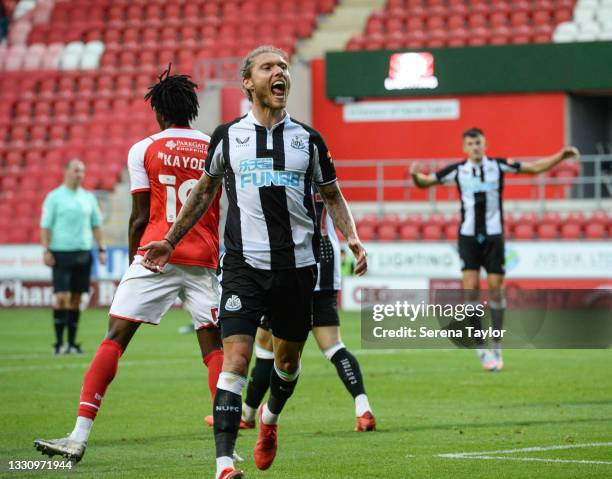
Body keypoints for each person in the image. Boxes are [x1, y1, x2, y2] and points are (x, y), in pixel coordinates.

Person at [140, 46, 367, 479]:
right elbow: (204, 192)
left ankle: (269, 420)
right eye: (269, 67)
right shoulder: (227, 136)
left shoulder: (308, 140)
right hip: (242, 267)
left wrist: (352, 238)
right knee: (237, 361)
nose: (280, 73)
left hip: (298, 269)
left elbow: (333, 195)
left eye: (283, 67)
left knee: (287, 362)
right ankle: (224, 464)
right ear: (248, 82)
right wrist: (170, 239)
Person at [34, 68, 226, 463]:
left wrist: (134, 261)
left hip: (156, 253)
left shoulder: (144, 148)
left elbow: (140, 216)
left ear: (158, 110)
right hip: (203, 257)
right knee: (213, 347)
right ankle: (227, 449)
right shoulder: (213, 146)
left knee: (115, 338)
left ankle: (78, 436)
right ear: (192, 108)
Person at [411, 127, 580, 371]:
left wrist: (560, 156)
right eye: (470, 144)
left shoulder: (498, 166)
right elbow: (425, 184)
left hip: (494, 236)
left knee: (495, 289)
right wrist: (415, 176)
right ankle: (481, 348)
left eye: (478, 143)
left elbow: (533, 168)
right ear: (464, 148)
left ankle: (497, 346)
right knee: (470, 290)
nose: (475, 147)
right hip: (468, 236)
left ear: (485, 144)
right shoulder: (458, 170)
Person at [238, 191, 376, 433]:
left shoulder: (283, 175)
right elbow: (335, 204)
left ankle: (248, 415)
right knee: (334, 346)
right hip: (324, 265)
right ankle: (363, 409)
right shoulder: (323, 177)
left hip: (288, 265)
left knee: (266, 346)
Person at [40, 159, 107, 355]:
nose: (80, 174)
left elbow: (96, 225)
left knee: (77, 299)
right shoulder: (54, 197)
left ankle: (71, 343)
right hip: (60, 252)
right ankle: (59, 343)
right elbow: (45, 226)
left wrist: (102, 248)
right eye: (77, 170)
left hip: (83, 253)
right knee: (61, 297)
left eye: (82, 171)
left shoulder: (88, 198)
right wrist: (46, 250)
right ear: (66, 171)